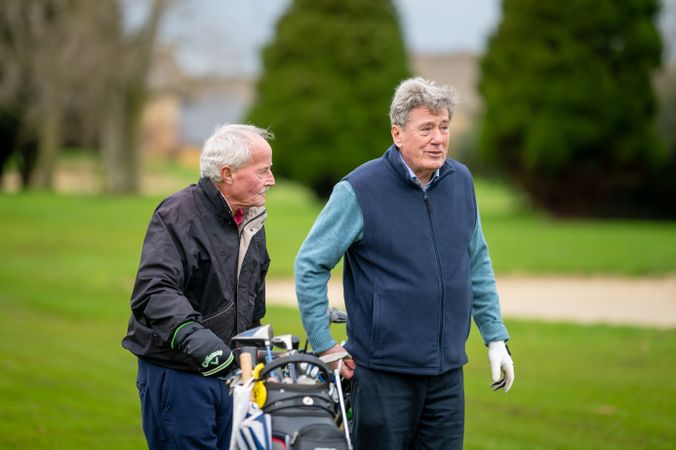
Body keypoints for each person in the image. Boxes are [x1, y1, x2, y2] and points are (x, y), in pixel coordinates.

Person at [295, 77, 515, 449]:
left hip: (446, 375)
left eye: (444, 127)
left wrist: (495, 338)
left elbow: (476, 261)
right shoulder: (360, 189)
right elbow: (310, 264)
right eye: (426, 128)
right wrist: (324, 345)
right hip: (383, 376)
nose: (438, 138)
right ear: (397, 134)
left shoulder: (460, 181)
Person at [122, 123, 276, 450]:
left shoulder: (250, 219)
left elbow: (251, 299)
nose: (271, 180)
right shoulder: (178, 213)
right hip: (178, 373)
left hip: (231, 376)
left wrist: (255, 346)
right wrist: (198, 341)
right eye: (262, 170)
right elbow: (154, 292)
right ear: (227, 173)